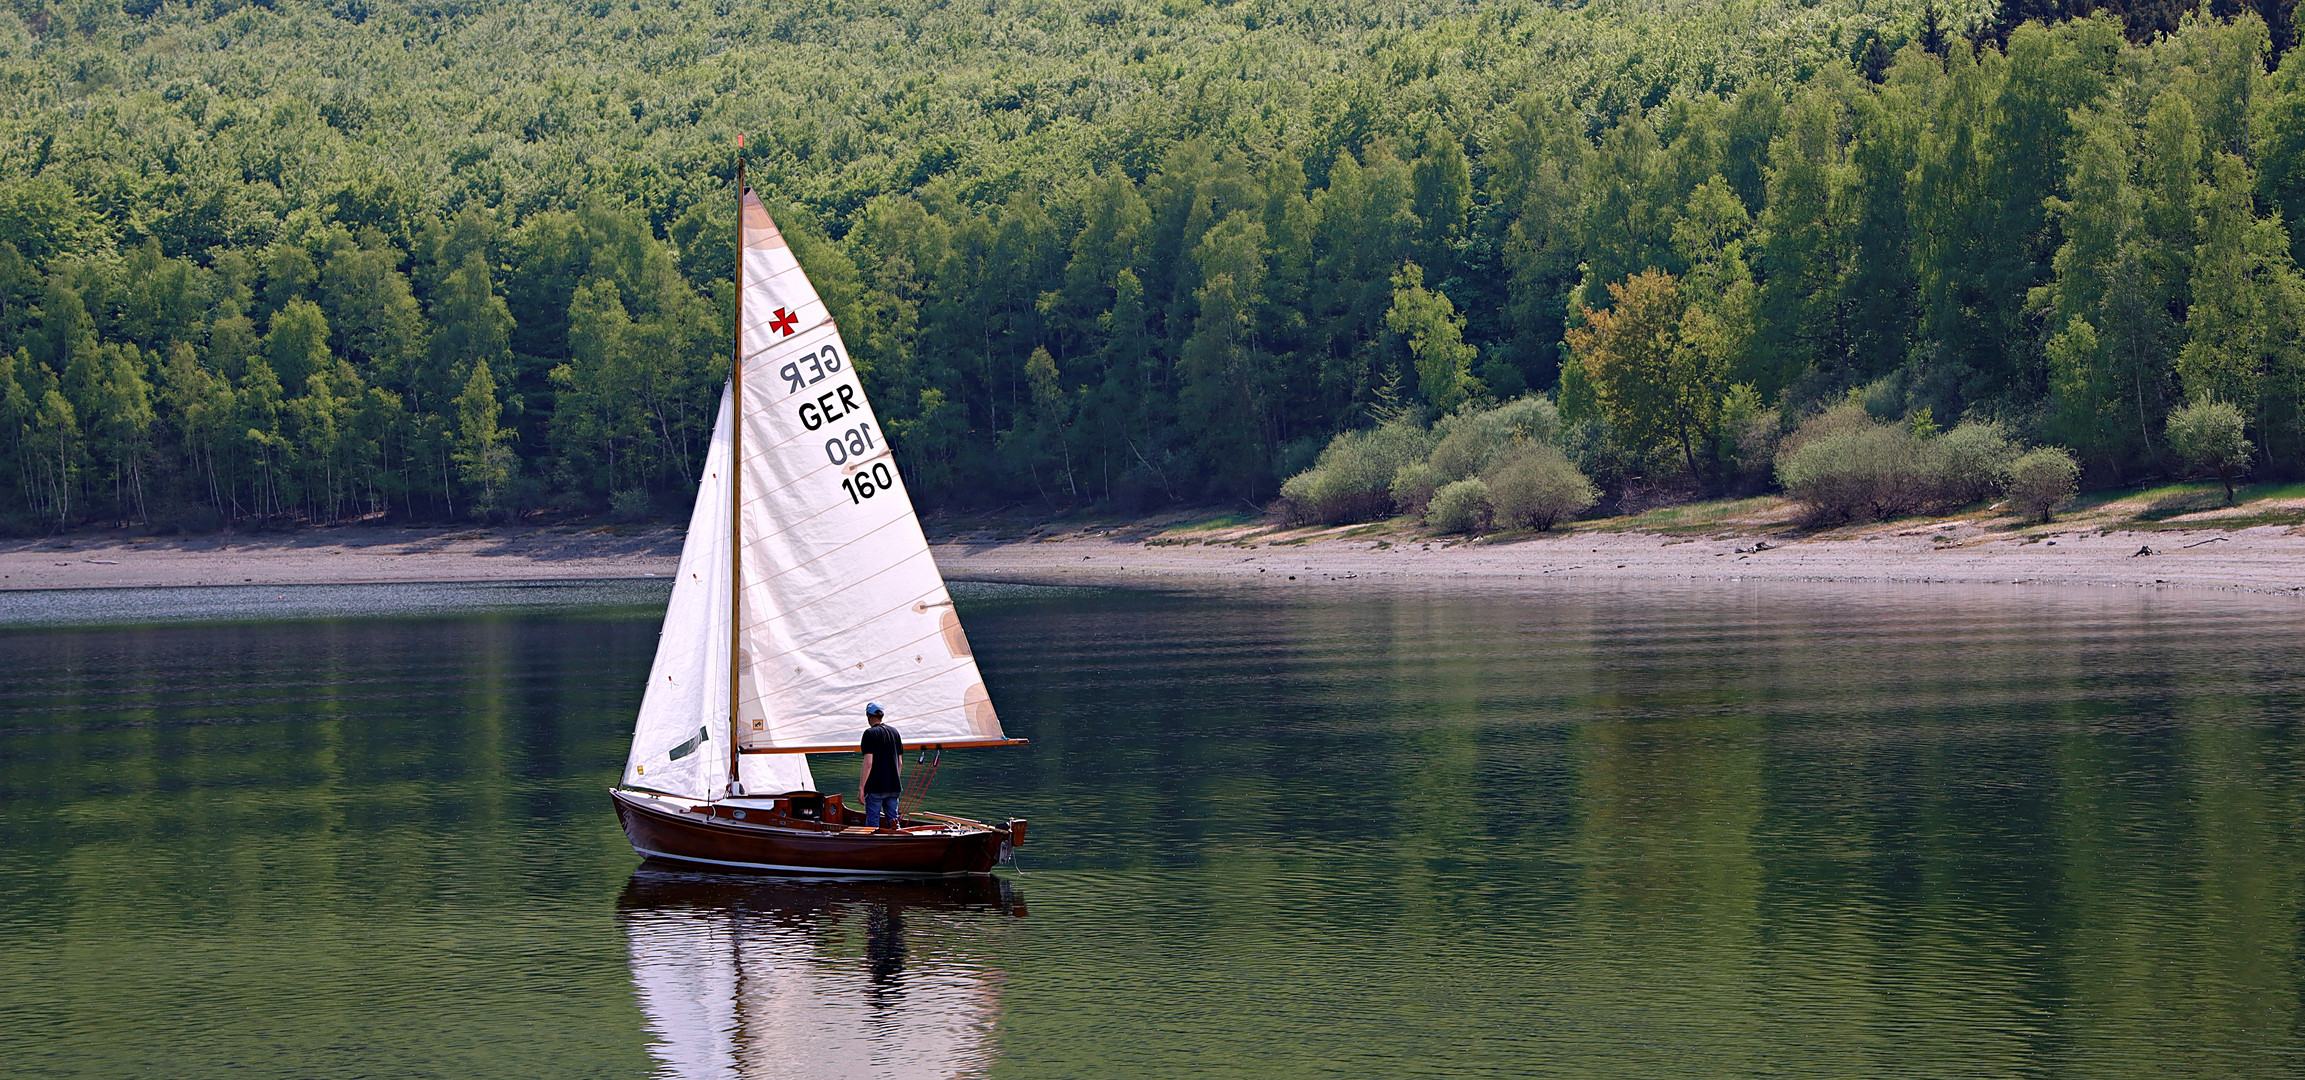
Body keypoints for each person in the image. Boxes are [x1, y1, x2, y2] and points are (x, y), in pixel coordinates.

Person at [858, 702, 904, 831]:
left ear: (868, 715)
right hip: (894, 787)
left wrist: (862, 788)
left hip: (875, 788)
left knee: (872, 824)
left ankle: (873, 848)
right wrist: (894, 780)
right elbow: (900, 763)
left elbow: (868, 763)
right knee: (894, 823)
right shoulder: (895, 732)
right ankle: (899, 844)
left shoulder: (869, 734)